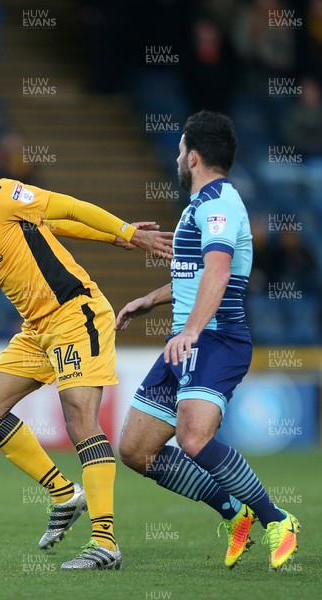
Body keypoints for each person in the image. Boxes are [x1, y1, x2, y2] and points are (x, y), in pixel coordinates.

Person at [0, 159, 173, 570]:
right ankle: (64, 494)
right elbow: (49, 227)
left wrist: (128, 233)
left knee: (80, 422)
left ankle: (106, 544)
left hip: (75, 313)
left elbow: (68, 207)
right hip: (37, 330)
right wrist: (117, 241)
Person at [116, 110, 301, 571]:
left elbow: (218, 272)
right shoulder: (199, 207)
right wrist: (150, 299)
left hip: (215, 338)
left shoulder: (219, 203)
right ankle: (231, 510)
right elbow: (195, 276)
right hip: (187, 340)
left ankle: (277, 519)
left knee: (193, 438)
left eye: (180, 150)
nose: (177, 157)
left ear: (193, 156)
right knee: (136, 451)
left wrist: (192, 330)